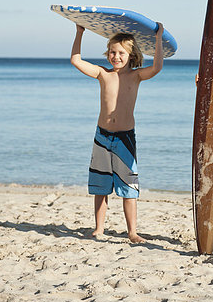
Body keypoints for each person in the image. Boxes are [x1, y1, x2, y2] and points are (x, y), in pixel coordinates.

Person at [70, 23, 164, 243]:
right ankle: (99, 228)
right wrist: (79, 32)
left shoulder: (136, 76)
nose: (116, 56)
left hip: (124, 138)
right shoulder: (103, 74)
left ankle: (132, 232)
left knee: (128, 186)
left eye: (121, 52)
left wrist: (158, 39)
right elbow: (75, 60)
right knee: (100, 186)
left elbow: (157, 67)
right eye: (112, 52)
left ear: (131, 55)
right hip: (102, 136)